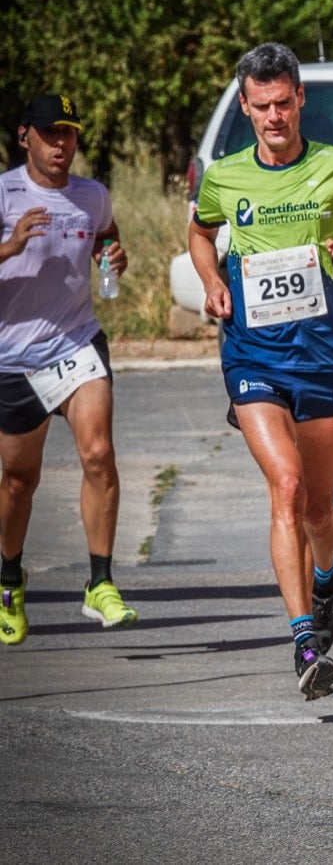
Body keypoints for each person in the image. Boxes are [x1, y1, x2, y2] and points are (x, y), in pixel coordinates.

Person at [188, 43, 333, 699]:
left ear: (301, 98)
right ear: (246, 107)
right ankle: (304, 641)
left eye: (284, 103)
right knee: (284, 488)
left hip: (323, 359)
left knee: (318, 509)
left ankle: (326, 576)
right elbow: (201, 233)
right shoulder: (226, 176)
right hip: (253, 355)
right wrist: (211, 280)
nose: (274, 117)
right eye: (261, 107)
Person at [0, 93, 138, 645]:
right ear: (23, 136)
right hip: (13, 358)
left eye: (70, 134)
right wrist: (9, 247)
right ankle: (9, 580)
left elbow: (107, 239)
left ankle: (100, 583)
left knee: (99, 453)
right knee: (18, 481)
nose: (62, 145)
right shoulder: (5, 192)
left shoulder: (92, 195)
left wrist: (115, 258)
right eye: (50, 133)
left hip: (77, 344)